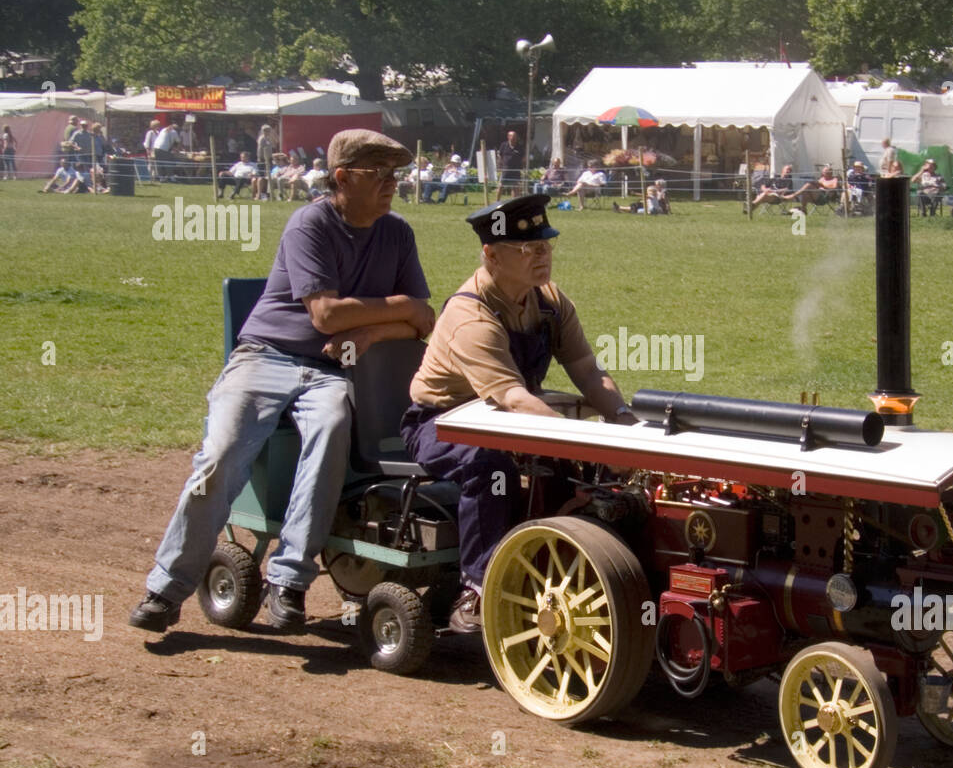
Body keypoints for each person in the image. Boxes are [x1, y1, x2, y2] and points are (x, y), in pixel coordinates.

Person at [128, 130, 435, 634]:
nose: (391, 184)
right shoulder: (309, 223)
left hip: (338, 368)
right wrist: (399, 308)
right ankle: (166, 587)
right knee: (221, 455)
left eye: (395, 174)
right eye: (378, 174)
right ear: (342, 178)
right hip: (265, 356)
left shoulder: (396, 232)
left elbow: (425, 322)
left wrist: (376, 327)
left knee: (334, 428)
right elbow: (327, 314)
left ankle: (289, 581)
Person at [402, 193, 637, 633]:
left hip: (509, 414)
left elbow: (587, 369)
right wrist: (587, 443)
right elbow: (511, 396)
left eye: (546, 245)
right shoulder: (470, 316)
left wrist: (625, 422)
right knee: (489, 467)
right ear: (491, 255)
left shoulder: (549, 301)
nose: (542, 256)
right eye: (528, 249)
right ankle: (477, 586)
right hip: (442, 420)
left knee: (574, 470)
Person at [495, 130, 525, 198]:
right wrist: (499, 165)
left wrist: (522, 167)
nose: (514, 138)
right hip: (506, 170)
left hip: (516, 170)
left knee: (515, 188)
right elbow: (500, 155)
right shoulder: (504, 145)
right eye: (512, 137)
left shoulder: (519, 147)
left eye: (515, 137)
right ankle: (497, 202)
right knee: (500, 186)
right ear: (508, 137)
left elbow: (523, 158)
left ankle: (513, 203)